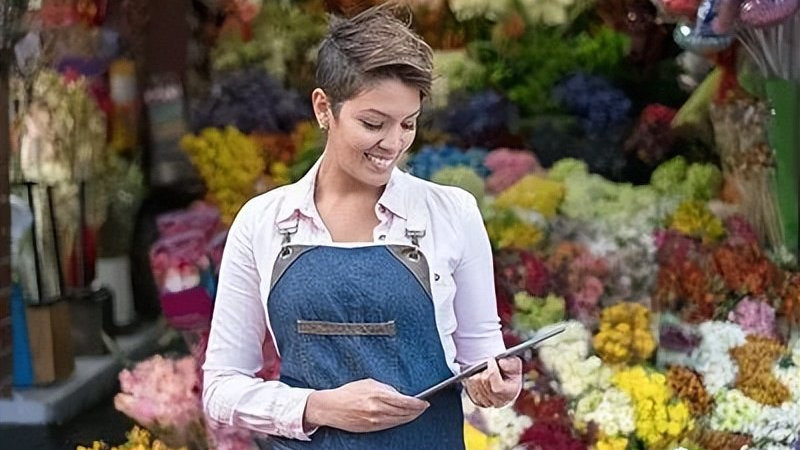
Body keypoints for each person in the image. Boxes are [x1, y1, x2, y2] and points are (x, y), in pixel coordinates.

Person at [202, 4, 522, 449]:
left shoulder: (452, 214)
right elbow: (220, 387)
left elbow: (482, 362)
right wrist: (319, 407)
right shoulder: (264, 223)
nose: (392, 144)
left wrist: (499, 383)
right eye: (373, 123)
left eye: (408, 124)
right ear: (323, 108)